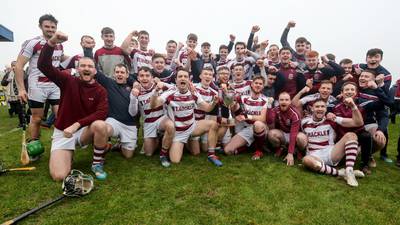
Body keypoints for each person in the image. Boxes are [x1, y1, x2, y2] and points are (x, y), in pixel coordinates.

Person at [37, 31, 109, 181]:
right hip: (63, 131)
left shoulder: (100, 90)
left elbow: (102, 112)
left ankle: (97, 164)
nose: (86, 68)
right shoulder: (68, 80)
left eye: (90, 66)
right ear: (78, 68)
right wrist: (52, 42)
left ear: (95, 71)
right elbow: (43, 65)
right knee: (59, 176)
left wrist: (77, 125)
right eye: (83, 65)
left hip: (82, 131)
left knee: (101, 125)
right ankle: (66, 153)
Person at [150, 68, 222, 166]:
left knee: (213, 124)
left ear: (189, 80)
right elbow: (153, 105)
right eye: (180, 76)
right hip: (178, 131)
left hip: (192, 127)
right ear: (176, 80)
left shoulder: (193, 93)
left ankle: (211, 155)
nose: (183, 78)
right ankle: (164, 152)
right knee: (175, 161)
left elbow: (207, 108)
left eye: (185, 76)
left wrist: (214, 103)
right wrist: (155, 92)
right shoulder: (170, 92)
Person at [15, 14, 66, 148]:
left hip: (55, 85)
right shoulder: (33, 43)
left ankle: (61, 146)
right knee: (37, 119)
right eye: (47, 27)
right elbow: (19, 66)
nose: (50, 29)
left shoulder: (59, 45)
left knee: (60, 116)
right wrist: (21, 89)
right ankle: (34, 145)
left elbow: (61, 60)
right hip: (37, 85)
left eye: (53, 27)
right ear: (40, 27)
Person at [301, 99, 365, 187]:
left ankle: (349, 171)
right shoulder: (304, 122)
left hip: (331, 152)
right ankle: (340, 173)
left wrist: (353, 106)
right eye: (317, 106)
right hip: (314, 155)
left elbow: (358, 123)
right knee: (306, 160)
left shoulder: (332, 119)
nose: (320, 109)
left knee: (351, 135)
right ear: (312, 109)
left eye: (322, 106)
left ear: (326, 109)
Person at [134, 67, 175, 167]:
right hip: (148, 122)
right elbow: (134, 112)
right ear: (138, 78)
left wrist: (162, 83)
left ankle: (163, 154)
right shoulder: (136, 91)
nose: (145, 78)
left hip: (161, 118)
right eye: (142, 76)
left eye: (147, 76)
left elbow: (175, 88)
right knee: (148, 153)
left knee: (170, 126)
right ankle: (159, 138)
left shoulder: (158, 86)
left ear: (152, 78)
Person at [224, 76, 268, 160]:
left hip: (259, 127)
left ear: (263, 86)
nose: (258, 85)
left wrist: (247, 116)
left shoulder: (265, 99)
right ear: (251, 84)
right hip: (246, 128)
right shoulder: (243, 98)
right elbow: (232, 106)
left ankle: (259, 151)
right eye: (256, 83)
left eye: (260, 84)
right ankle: (250, 147)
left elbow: (262, 118)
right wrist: (228, 93)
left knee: (258, 124)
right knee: (227, 150)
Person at [267, 92, 307, 166]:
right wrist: (269, 106)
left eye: (286, 100)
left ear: (290, 101)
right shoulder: (276, 109)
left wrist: (290, 153)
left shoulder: (295, 113)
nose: (284, 101)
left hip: (295, 134)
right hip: (283, 133)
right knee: (271, 134)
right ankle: (282, 148)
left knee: (301, 138)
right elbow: (269, 121)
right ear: (278, 101)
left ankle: (297, 150)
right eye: (281, 100)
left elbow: (293, 134)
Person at [1, 61, 24, 127]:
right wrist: (7, 80)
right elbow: (3, 83)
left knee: (20, 109)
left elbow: (25, 79)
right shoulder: (8, 74)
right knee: (12, 109)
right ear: (11, 67)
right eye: (12, 66)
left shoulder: (21, 72)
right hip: (10, 95)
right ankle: (22, 120)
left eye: (15, 66)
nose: (14, 67)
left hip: (20, 93)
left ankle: (22, 123)